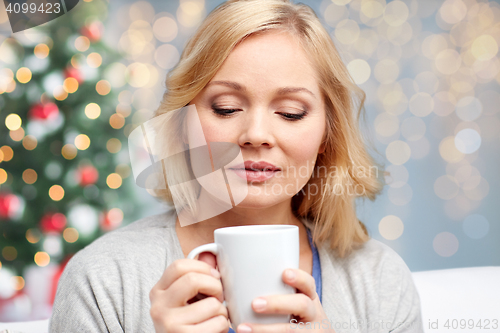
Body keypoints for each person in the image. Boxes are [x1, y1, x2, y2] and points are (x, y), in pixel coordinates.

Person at [49, 0, 424, 332]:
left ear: (327, 133)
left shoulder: (380, 282)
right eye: (226, 108)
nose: (256, 134)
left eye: (291, 113)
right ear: (183, 125)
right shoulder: (101, 281)